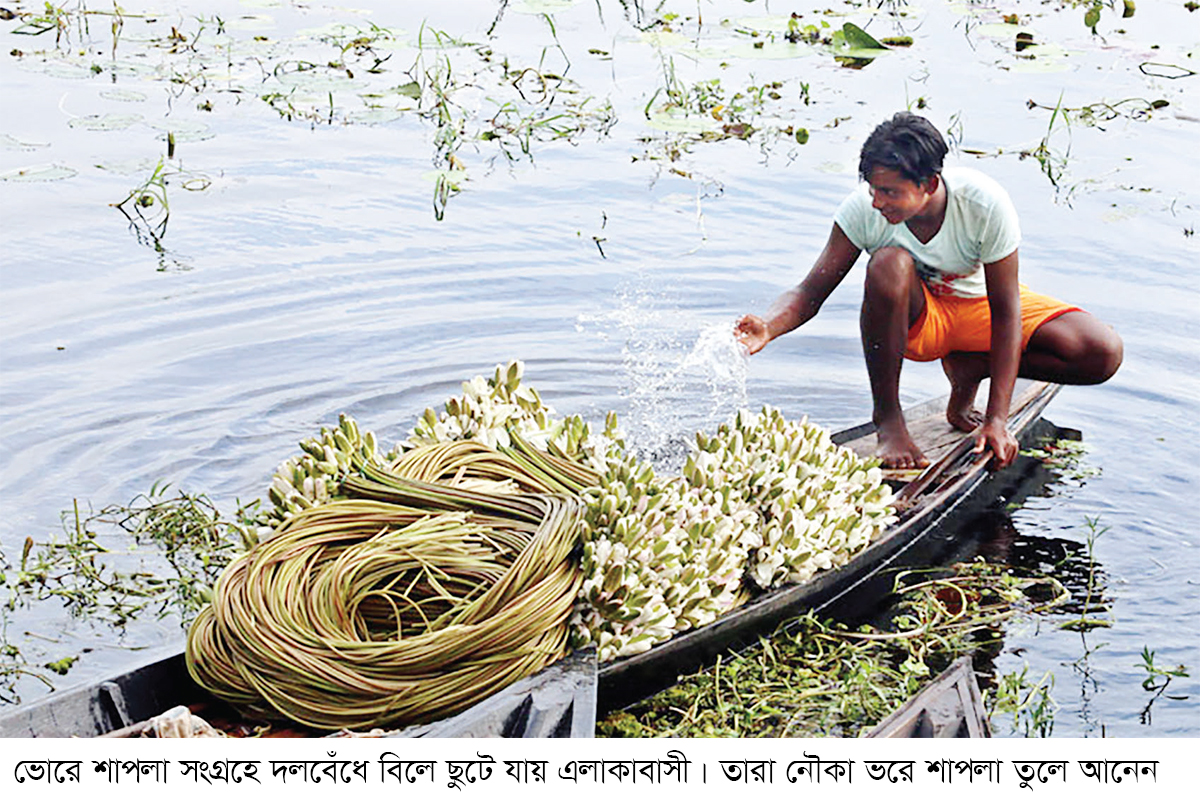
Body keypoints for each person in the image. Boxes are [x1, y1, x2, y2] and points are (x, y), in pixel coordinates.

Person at [735, 112, 1122, 470]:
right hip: (922, 322)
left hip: (979, 307)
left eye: (889, 192)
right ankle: (889, 422)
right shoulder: (863, 212)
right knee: (888, 263)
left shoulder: (983, 204)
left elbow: (1006, 312)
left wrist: (997, 420)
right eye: (873, 189)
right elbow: (810, 292)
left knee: (1102, 353)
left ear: (930, 184)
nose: (877, 201)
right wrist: (769, 326)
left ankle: (972, 367)